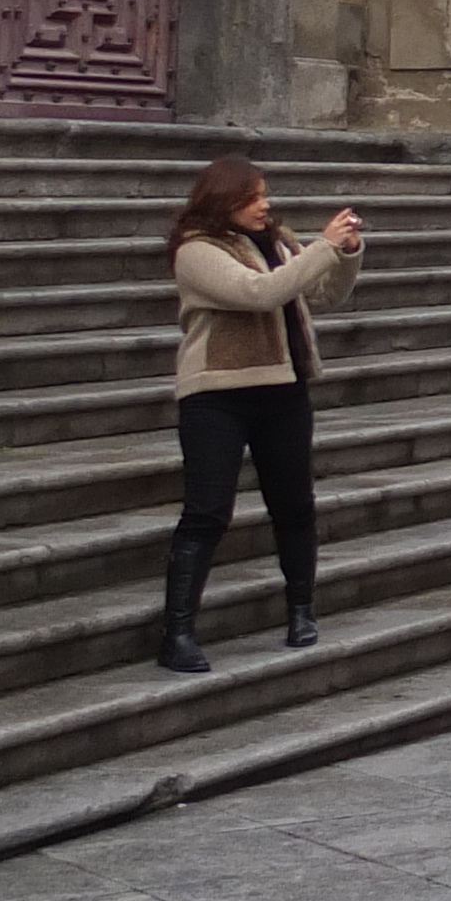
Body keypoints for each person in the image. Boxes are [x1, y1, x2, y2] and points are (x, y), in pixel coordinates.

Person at [160, 155, 365, 674]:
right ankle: (178, 632)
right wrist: (321, 246)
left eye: (265, 194)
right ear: (222, 200)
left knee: (294, 505)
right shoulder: (196, 251)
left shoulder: (278, 240)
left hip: (285, 389)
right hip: (218, 394)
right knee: (207, 512)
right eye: (252, 197)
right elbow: (260, 294)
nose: (264, 205)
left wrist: (346, 253)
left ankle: (302, 611)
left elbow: (324, 293)